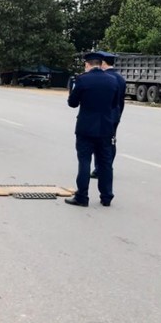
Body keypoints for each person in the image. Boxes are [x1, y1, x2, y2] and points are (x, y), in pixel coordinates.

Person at [66, 51, 122, 208]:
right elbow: (114, 104)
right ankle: (106, 197)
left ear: (87, 64)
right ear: (100, 63)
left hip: (86, 128)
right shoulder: (112, 81)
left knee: (84, 161)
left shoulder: (83, 80)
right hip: (106, 128)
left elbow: (72, 103)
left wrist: (72, 90)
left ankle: (82, 197)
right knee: (105, 162)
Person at [91, 51, 126, 179]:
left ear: (103, 63)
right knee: (111, 142)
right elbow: (121, 101)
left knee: (98, 142)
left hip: (101, 116)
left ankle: (98, 169)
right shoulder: (120, 78)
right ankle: (107, 167)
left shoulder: (103, 78)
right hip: (115, 115)